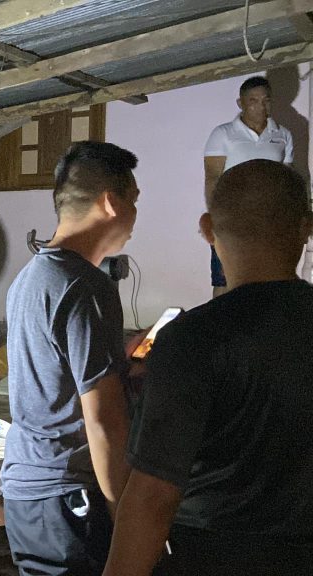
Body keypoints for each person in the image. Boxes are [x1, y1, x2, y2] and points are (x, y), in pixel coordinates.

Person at [103, 160, 313, 576]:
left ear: (207, 228)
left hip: (208, 555)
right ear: (307, 227)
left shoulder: (191, 338)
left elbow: (152, 496)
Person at [1, 141, 140, 575]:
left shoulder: (31, 277)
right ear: (111, 203)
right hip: (68, 495)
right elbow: (104, 421)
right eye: (134, 200)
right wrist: (126, 519)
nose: (136, 215)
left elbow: (57, 378)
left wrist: (122, 362)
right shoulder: (86, 287)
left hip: (28, 490)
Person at [204, 75, 294, 297]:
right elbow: (213, 177)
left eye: (266, 100)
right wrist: (214, 217)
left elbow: (287, 179)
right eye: (253, 100)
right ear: (241, 103)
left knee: (268, 279)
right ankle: (222, 320)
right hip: (231, 219)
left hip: (270, 221)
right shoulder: (223, 134)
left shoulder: (283, 135)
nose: (261, 106)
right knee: (225, 279)